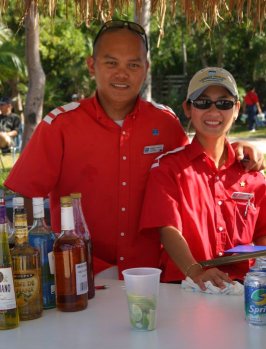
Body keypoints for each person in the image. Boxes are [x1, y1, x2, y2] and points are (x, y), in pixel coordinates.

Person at [4, 21, 265, 279]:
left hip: (153, 276)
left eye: (133, 64)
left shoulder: (165, 122)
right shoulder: (59, 125)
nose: (122, 73)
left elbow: (195, 166)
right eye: (111, 63)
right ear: (92, 66)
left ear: (146, 69)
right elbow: (22, 198)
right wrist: (47, 255)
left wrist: (235, 148)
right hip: (83, 273)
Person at [140, 67, 266, 290]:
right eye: (203, 102)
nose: (214, 111)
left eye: (224, 103)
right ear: (188, 108)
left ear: (236, 109)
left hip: (242, 292)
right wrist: (196, 272)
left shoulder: (253, 173)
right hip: (184, 287)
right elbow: (168, 230)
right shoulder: (168, 168)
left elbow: (262, 235)